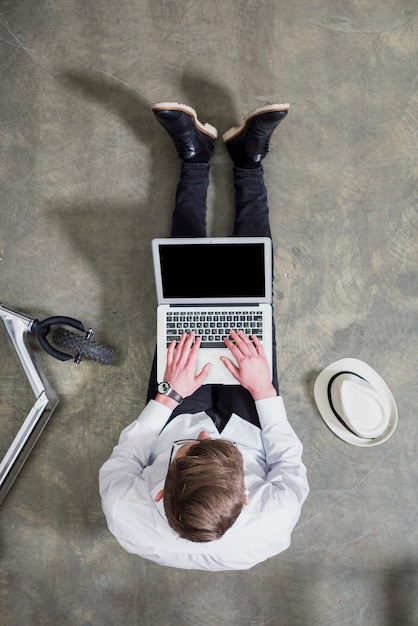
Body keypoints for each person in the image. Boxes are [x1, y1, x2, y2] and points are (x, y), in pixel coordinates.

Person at [99, 101, 309, 571]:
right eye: (210, 445)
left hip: (173, 409)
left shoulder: (124, 507)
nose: (201, 433)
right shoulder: (278, 513)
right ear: (247, 490)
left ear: (163, 483)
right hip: (253, 427)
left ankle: (195, 160)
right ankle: (248, 163)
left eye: (193, 446)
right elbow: (286, 454)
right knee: (252, 296)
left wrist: (170, 395)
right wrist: (263, 390)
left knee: (186, 295)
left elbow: (131, 450)